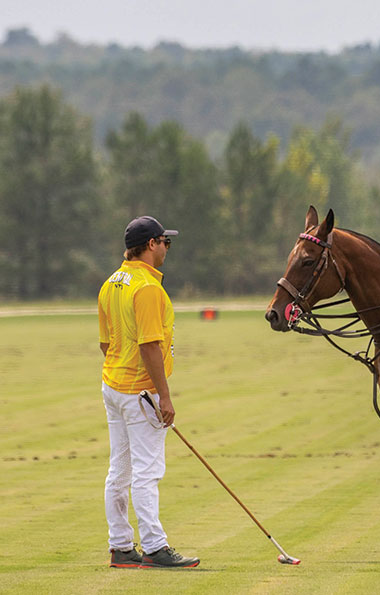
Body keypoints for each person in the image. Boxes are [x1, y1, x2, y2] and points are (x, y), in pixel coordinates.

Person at [98, 215, 199, 569]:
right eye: (165, 242)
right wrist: (163, 397)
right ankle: (155, 547)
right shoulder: (148, 288)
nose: (167, 248)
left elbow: (105, 342)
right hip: (141, 392)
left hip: (113, 386)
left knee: (120, 470)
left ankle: (121, 546)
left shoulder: (111, 283)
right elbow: (150, 346)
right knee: (147, 472)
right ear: (152, 245)